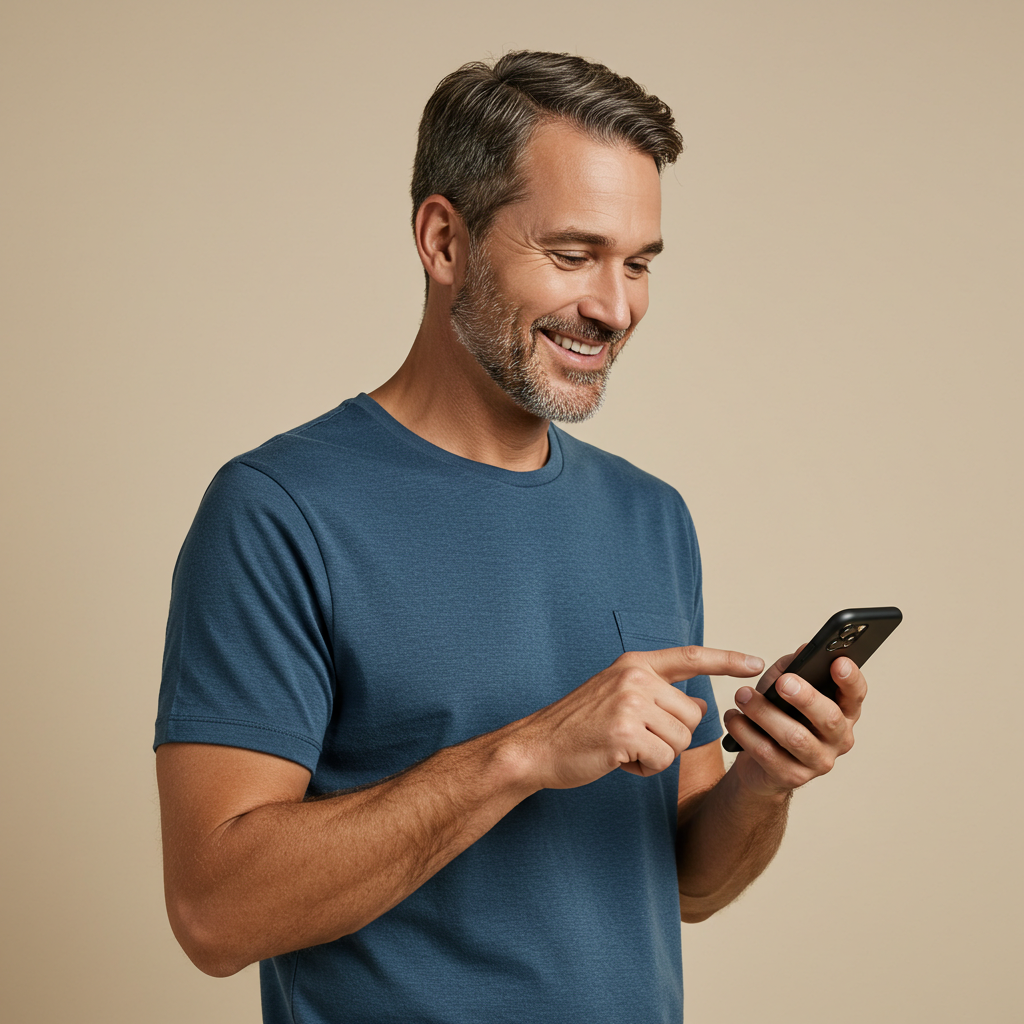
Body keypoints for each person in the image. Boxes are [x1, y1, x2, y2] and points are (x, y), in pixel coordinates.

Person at [155, 51, 865, 1023]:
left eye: (639, 263)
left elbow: (688, 884)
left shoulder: (651, 516)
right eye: (573, 255)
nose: (615, 307)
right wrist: (526, 752)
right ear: (443, 241)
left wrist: (767, 780)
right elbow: (215, 913)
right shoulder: (278, 509)